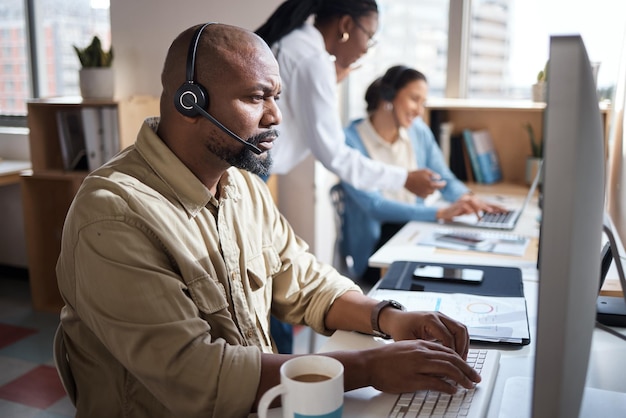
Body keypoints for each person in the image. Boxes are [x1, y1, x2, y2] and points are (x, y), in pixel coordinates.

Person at [55, 23, 481, 418]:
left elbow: (306, 282)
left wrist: (388, 318)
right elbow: (195, 373)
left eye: (275, 97)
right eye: (257, 97)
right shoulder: (112, 215)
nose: (275, 116)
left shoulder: (242, 186)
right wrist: (369, 365)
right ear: (191, 102)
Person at [255, 0, 445, 198]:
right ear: (346, 25)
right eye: (369, 36)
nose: (366, 49)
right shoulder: (314, 61)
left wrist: (330, 81)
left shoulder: (296, 41)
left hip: (252, 165)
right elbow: (334, 154)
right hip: (255, 171)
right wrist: (404, 179)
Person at [340, 66, 506, 283]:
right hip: (376, 250)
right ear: (388, 96)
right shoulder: (350, 141)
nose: (419, 110)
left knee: (468, 255)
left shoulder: (418, 131)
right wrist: (439, 213)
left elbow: (442, 177)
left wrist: (466, 198)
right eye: (414, 99)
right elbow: (375, 206)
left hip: (414, 231)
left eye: (423, 103)